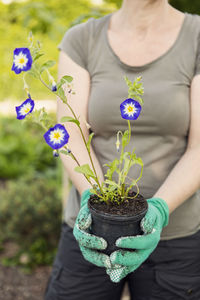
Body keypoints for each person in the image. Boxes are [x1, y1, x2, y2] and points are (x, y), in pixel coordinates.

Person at [44, 0, 200, 299]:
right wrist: (95, 200)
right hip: (90, 234)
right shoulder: (82, 39)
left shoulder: (196, 37)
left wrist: (160, 209)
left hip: (175, 239)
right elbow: (71, 134)